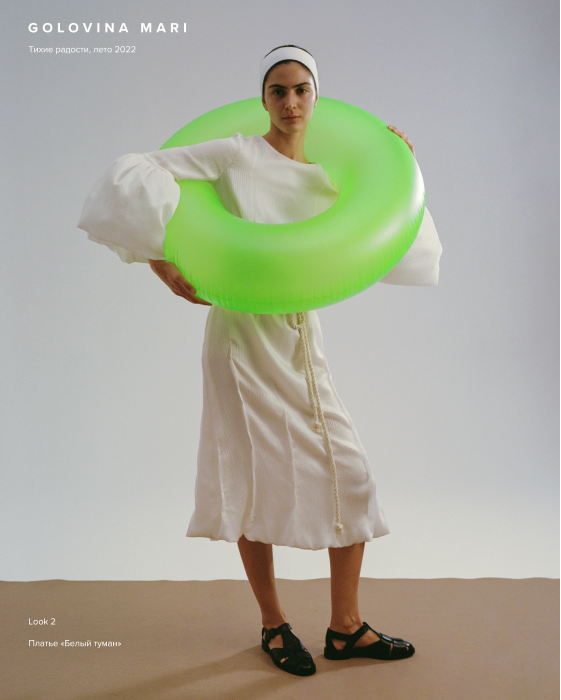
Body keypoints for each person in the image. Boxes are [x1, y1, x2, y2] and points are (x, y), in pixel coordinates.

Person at [78, 45, 442, 677]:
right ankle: (274, 624)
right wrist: (158, 256)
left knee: (350, 474)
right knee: (251, 477)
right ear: (264, 98)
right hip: (241, 338)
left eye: (301, 90)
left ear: (316, 97)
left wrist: (399, 163)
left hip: (301, 335)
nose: (290, 102)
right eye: (278, 90)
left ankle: (346, 628)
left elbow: (384, 231)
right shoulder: (236, 153)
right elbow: (136, 169)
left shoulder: (330, 176)